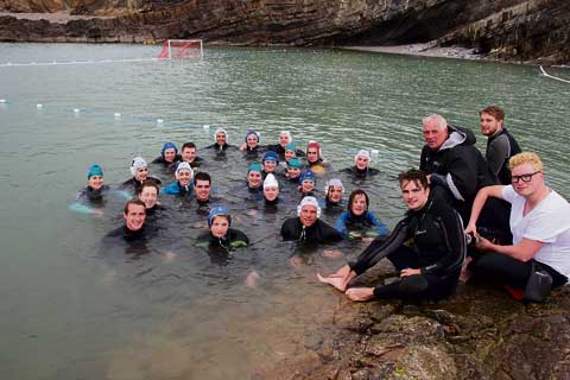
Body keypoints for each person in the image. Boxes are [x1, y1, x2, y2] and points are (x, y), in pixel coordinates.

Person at [318, 169, 465, 303]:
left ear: (427, 191)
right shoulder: (413, 217)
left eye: (415, 190)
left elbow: (457, 257)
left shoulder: (445, 213)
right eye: (406, 192)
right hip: (420, 265)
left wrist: (421, 271)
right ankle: (345, 279)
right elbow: (388, 243)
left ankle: (371, 293)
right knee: (382, 240)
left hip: (442, 276)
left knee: (413, 284)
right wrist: (350, 267)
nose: (410, 196)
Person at [464, 152, 569, 300]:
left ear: (541, 175)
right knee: (475, 237)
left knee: (486, 263)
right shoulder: (518, 193)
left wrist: (491, 247)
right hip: (523, 251)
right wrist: (472, 224)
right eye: (515, 178)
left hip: (548, 269)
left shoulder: (551, 209)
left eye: (527, 176)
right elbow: (485, 191)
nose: (520, 182)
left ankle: (516, 288)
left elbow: (523, 254)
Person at [419, 113, 496, 222]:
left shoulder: (461, 152)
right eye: (426, 132)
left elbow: (463, 189)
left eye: (435, 132)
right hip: (455, 201)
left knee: (438, 191)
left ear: (446, 131)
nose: (430, 136)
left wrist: (434, 178)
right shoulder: (427, 150)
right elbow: (423, 177)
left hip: (482, 205)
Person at [479, 106, 522, 185]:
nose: (483, 124)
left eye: (489, 120)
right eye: (482, 120)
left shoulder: (499, 142)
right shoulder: (501, 136)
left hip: (509, 190)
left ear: (500, 122)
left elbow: (491, 175)